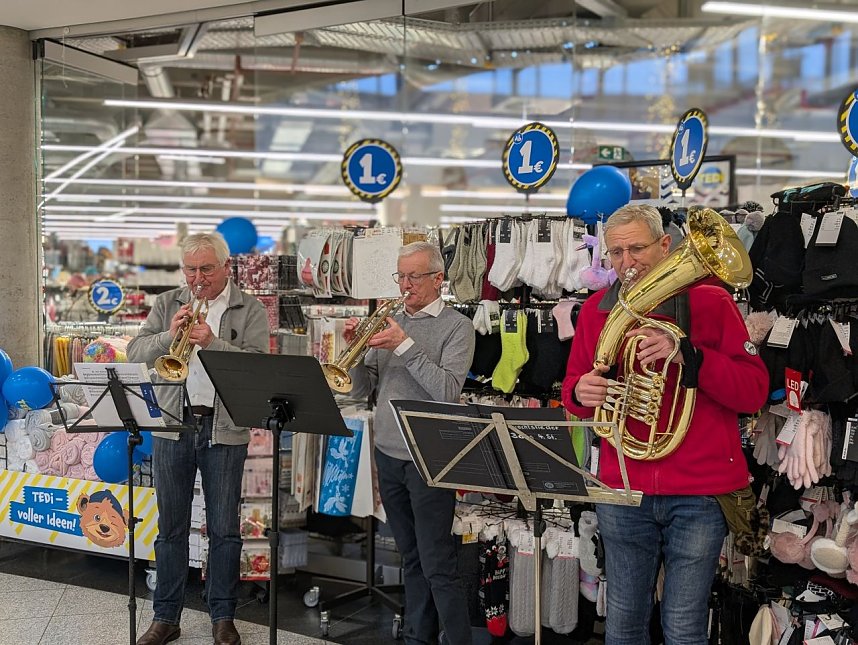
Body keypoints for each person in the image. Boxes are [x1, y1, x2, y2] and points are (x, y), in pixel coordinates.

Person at [561, 205, 768, 645]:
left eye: (636, 248)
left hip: (698, 491)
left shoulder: (712, 301)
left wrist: (692, 358)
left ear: (665, 246)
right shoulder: (599, 310)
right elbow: (574, 386)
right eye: (615, 252)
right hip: (623, 488)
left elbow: (753, 390)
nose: (626, 262)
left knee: (684, 627)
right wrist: (581, 393)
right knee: (622, 623)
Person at [128, 232, 269, 645]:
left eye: (206, 268)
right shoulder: (168, 302)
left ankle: (222, 616)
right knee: (170, 527)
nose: (197, 278)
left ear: (227, 267)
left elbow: (259, 370)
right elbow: (136, 353)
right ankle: (165, 617)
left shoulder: (251, 309)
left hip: (224, 427)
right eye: (190, 269)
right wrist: (163, 336)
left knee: (224, 529)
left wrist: (213, 343)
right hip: (174, 423)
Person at [345, 241, 476, 645]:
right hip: (388, 451)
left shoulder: (458, 327)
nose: (404, 285)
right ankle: (420, 635)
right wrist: (353, 359)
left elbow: (446, 391)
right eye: (399, 276)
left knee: (438, 562)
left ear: (438, 279)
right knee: (411, 556)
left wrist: (404, 344)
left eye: (413, 277)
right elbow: (368, 389)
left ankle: (456, 638)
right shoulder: (390, 320)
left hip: (430, 457)